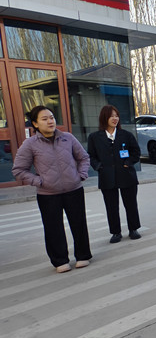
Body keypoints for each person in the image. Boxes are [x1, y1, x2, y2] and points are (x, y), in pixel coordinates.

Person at [12, 106, 92, 273]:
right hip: (48, 194)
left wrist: (81, 175)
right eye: (44, 119)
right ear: (35, 123)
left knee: (79, 224)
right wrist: (39, 181)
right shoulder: (30, 144)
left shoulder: (67, 138)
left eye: (52, 117)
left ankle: (83, 255)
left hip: (74, 189)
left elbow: (83, 157)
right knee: (53, 227)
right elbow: (18, 170)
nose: (50, 121)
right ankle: (60, 260)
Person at [87, 105, 142, 244]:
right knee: (111, 206)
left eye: (116, 115)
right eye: (111, 116)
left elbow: (136, 152)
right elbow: (91, 156)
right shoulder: (94, 137)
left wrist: (128, 163)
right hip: (107, 177)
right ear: (104, 118)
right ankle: (116, 232)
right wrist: (99, 167)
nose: (115, 118)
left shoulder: (126, 135)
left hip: (126, 174)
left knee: (130, 204)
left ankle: (133, 229)